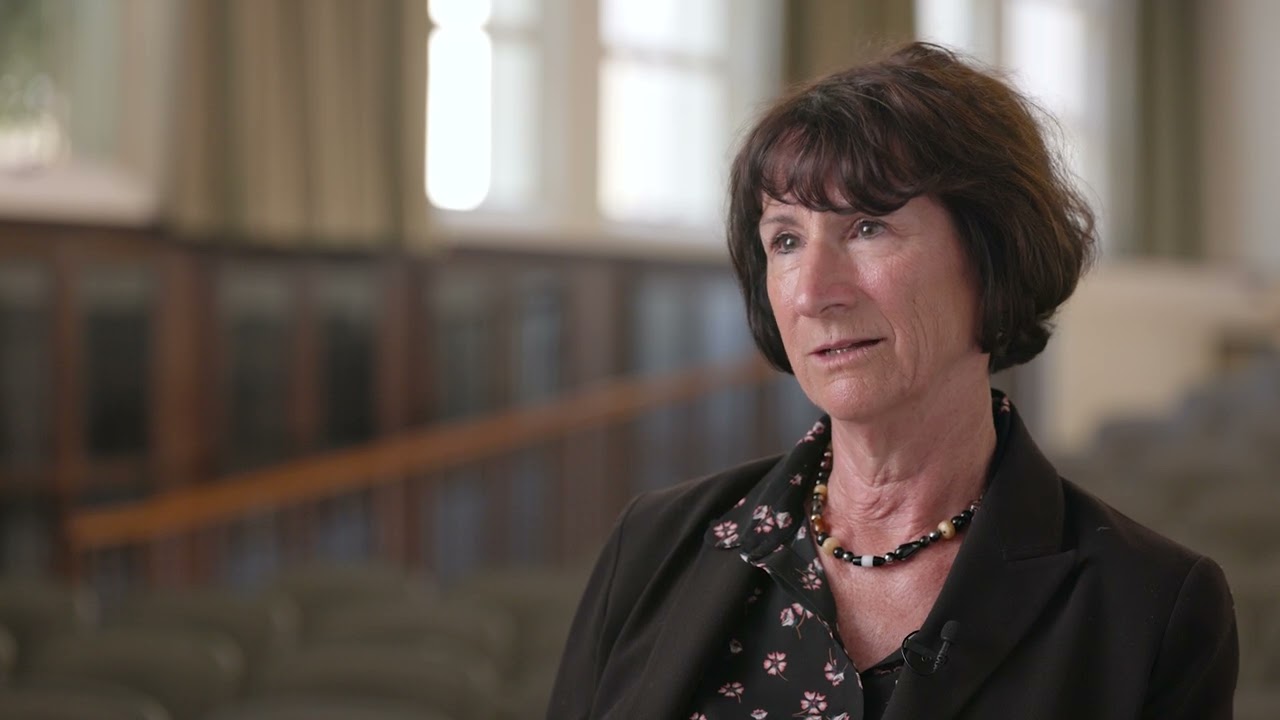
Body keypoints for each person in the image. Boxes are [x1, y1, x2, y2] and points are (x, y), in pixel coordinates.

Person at [546, 42, 1237, 720]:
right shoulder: (653, 544)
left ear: (991, 254)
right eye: (785, 240)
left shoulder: (1151, 606)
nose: (814, 291)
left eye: (869, 227)